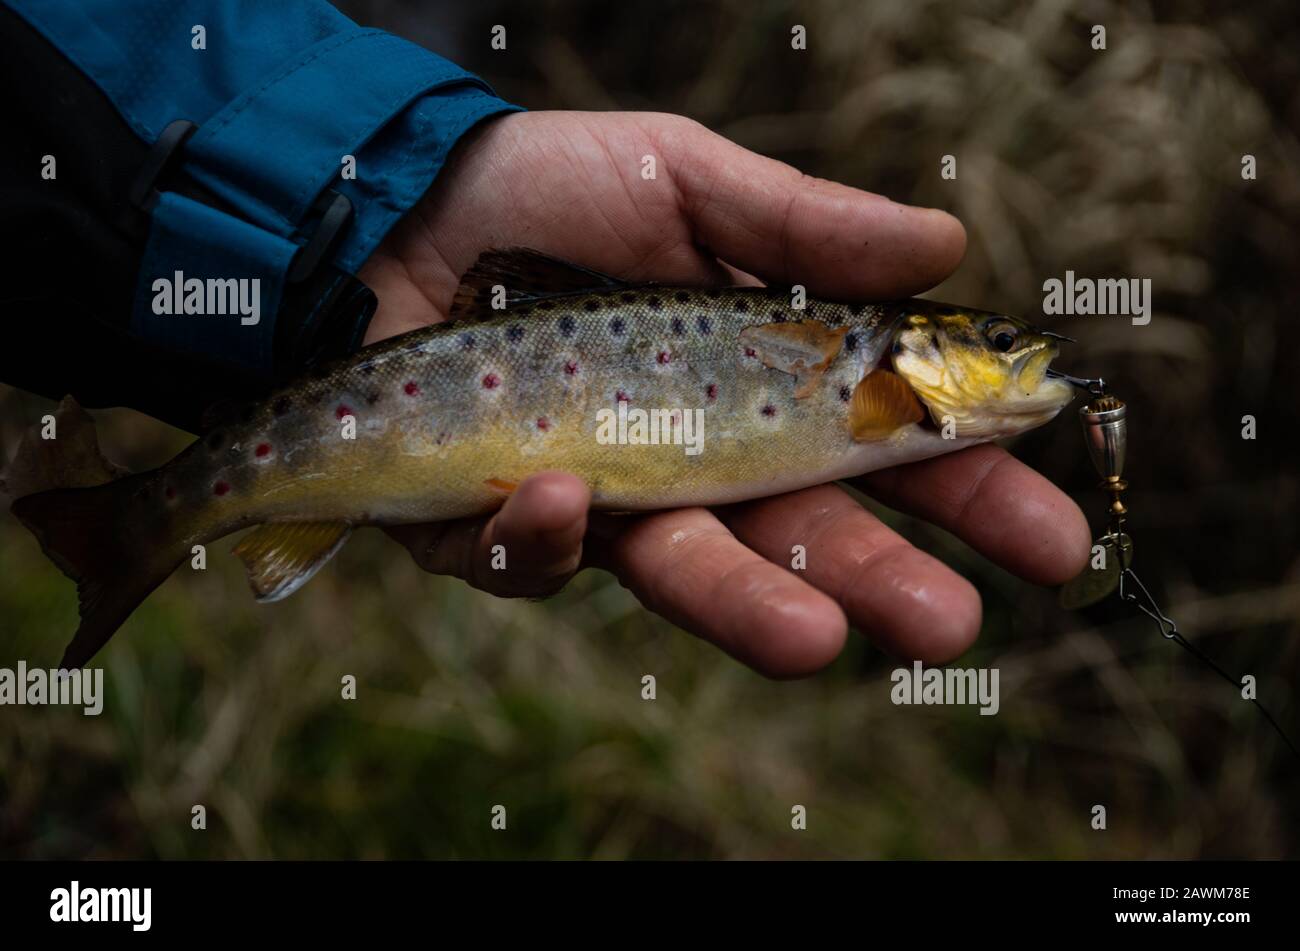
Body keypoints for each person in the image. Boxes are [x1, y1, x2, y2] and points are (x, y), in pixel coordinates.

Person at [0, 0, 1089, 678]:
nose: (1021, 356)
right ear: (922, 351)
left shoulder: (888, 398)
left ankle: (140, 522)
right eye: (995, 340)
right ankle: (135, 525)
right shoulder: (877, 383)